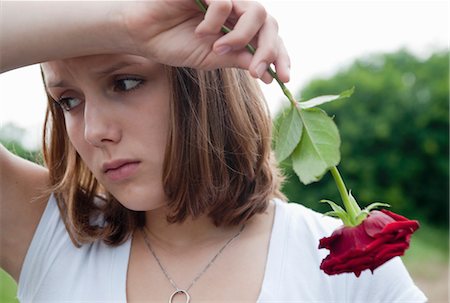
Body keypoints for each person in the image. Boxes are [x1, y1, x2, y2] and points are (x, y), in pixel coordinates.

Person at [0, 1, 426, 302]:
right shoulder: (53, 236)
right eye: (69, 101)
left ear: (203, 79)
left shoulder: (345, 265)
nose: (93, 131)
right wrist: (126, 21)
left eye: (125, 82)